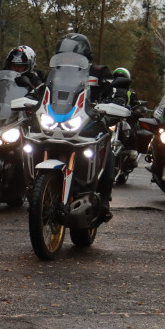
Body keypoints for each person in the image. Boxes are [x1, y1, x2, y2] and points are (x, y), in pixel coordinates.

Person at [49, 32, 116, 219]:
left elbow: (112, 89)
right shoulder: (55, 74)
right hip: (58, 119)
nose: (69, 60)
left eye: (73, 56)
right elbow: (43, 90)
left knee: (105, 146)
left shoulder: (99, 72)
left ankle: (104, 197)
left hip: (90, 121)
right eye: (64, 56)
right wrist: (31, 98)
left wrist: (114, 101)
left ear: (85, 57)